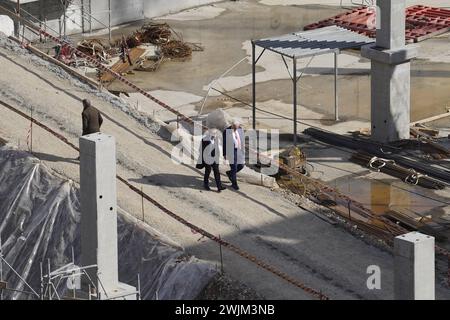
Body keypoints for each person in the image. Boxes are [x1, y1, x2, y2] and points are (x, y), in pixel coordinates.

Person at [222, 119, 245, 190]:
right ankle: (234, 184)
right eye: (234, 127)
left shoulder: (240, 129)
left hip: (239, 150)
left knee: (241, 165)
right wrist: (224, 154)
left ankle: (229, 173)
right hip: (231, 151)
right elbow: (224, 143)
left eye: (236, 128)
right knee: (234, 167)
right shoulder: (226, 131)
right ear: (231, 125)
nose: (235, 129)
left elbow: (242, 139)